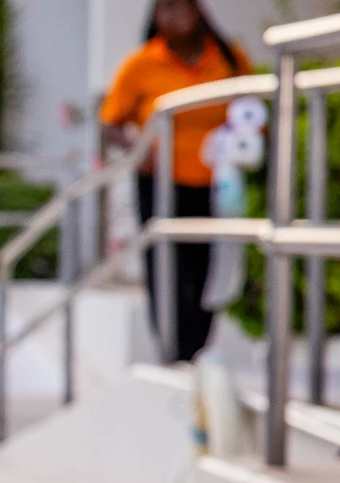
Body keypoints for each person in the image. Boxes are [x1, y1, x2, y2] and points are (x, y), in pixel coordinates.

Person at [100, 0, 249, 363]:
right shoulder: (141, 64)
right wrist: (137, 147)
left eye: (182, 7)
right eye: (166, 8)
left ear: (198, 11)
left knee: (208, 270)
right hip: (161, 184)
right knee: (168, 268)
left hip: (217, 185)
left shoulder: (228, 59)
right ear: (155, 16)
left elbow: (253, 108)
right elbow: (109, 123)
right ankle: (173, 350)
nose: (176, 16)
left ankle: (198, 351)